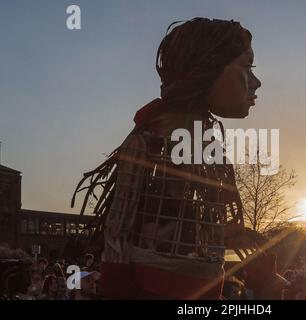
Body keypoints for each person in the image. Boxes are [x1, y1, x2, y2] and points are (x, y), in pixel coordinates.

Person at [72, 17, 261, 300]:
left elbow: (216, 225)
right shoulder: (149, 141)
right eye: (247, 67)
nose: (256, 82)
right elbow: (119, 231)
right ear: (206, 68)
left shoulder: (208, 147)